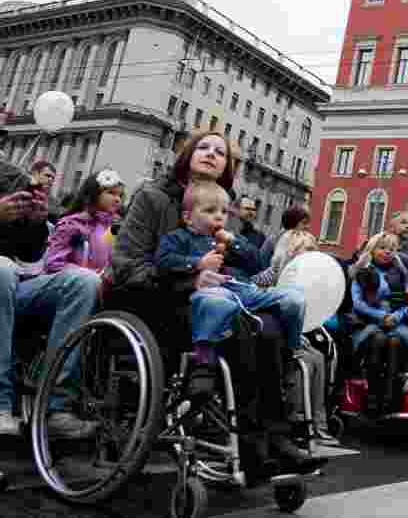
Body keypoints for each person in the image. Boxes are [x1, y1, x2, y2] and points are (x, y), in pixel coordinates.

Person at [111, 130, 321, 482]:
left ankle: (278, 437)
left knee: (268, 325)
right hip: (157, 302)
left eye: (219, 152)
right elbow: (127, 265)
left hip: (217, 300)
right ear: (187, 155)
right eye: (203, 147)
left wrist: (233, 250)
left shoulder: (225, 209)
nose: (210, 153)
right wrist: (189, 279)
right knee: (240, 326)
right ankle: (254, 447)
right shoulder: (152, 197)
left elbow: (248, 269)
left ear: (228, 167)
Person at [156, 181, 305, 400]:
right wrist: (198, 263)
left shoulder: (231, 240)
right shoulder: (178, 238)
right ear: (188, 217)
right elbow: (163, 261)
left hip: (243, 290)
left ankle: (290, 354)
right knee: (216, 301)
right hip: (214, 291)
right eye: (209, 211)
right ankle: (203, 363)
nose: (219, 217)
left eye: (224, 212)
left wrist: (234, 241)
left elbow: (256, 264)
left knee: (294, 300)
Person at [0, 159, 101, 438]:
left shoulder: (9, 175)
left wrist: (33, 224)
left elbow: (29, 256)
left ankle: (55, 406)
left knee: (85, 281)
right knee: (2, 269)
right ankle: (1, 404)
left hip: (16, 286)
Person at [252, 230, 333, 444]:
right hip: (273, 332)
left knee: (318, 357)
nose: (310, 256)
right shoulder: (274, 272)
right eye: (306, 250)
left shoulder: (306, 279)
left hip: (293, 332)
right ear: (292, 251)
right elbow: (252, 288)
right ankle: (296, 420)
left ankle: (318, 423)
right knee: (304, 360)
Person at [349, 232, 408, 416]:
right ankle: (372, 396)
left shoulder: (401, 273)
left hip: (396, 322)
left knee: (396, 343)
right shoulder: (363, 272)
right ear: (373, 249)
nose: (387, 252)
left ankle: (391, 398)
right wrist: (381, 316)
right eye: (383, 248)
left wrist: (397, 317)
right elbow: (358, 303)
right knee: (378, 339)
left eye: (391, 249)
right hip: (369, 322)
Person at [43, 168, 124, 284]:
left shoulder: (112, 228)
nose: (117, 199)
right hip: (72, 288)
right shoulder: (72, 224)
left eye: (120, 195)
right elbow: (54, 263)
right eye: (111, 193)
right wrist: (89, 276)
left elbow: (109, 259)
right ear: (92, 194)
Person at [259, 205, 310, 271]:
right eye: (304, 223)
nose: (307, 226)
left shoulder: (305, 242)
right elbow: (261, 265)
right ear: (293, 222)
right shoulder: (273, 240)